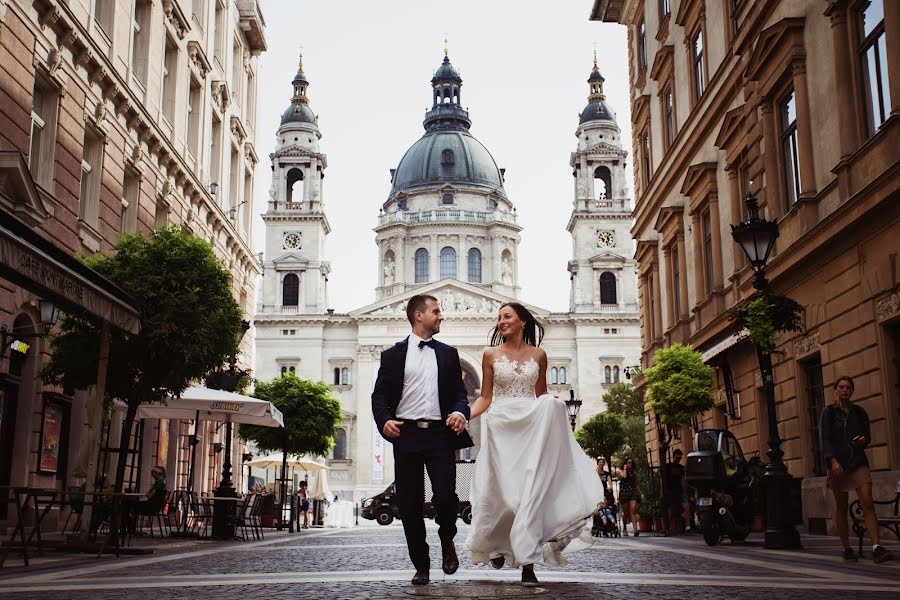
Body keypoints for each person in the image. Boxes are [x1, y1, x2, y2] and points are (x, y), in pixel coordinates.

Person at [465, 302, 604, 587]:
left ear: (522, 322)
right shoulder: (490, 354)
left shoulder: (539, 355)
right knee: (503, 497)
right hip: (501, 428)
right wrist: (461, 415)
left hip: (529, 429)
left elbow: (540, 395)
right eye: (499, 318)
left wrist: (554, 403)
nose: (501, 321)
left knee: (527, 494)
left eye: (507, 317)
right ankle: (498, 545)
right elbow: (486, 397)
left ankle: (527, 563)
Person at [371, 294, 474, 586]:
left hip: (441, 434)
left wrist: (459, 411)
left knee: (444, 496)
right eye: (436, 311)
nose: (441, 316)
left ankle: (447, 540)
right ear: (419, 315)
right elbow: (379, 396)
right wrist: (384, 421)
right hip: (407, 435)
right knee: (409, 504)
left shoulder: (448, 353)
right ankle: (421, 564)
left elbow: (459, 394)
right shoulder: (392, 355)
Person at [821, 375, 893, 564]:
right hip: (838, 465)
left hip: (858, 461)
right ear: (835, 390)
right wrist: (833, 461)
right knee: (842, 507)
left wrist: (863, 440)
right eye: (842, 387)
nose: (845, 390)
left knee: (868, 503)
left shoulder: (859, 412)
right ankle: (846, 548)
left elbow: (866, 436)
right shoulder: (828, 412)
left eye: (848, 387)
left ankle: (877, 547)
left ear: (852, 390)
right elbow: (825, 439)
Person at [660, 449, 692, 535]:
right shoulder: (667, 467)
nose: (678, 460)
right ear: (673, 457)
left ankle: (688, 527)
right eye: (677, 458)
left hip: (680, 491)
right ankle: (670, 528)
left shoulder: (681, 468)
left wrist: (685, 492)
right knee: (670, 509)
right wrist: (662, 492)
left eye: (680, 458)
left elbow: (683, 480)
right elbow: (662, 480)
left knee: (686, 507)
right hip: (670, 491)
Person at [618, 457, 642, 536]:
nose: (630, 464)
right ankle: (624, 528)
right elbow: (624, 476)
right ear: (625, 463)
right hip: (624, 493)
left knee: (633, 509)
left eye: (631, 462)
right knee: (626, 513)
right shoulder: (621, 471)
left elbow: (636, 483)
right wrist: (625, 469)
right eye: (628, 462)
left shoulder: (634, 472)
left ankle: (635, 530)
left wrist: (641, 493)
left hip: (632, 492)